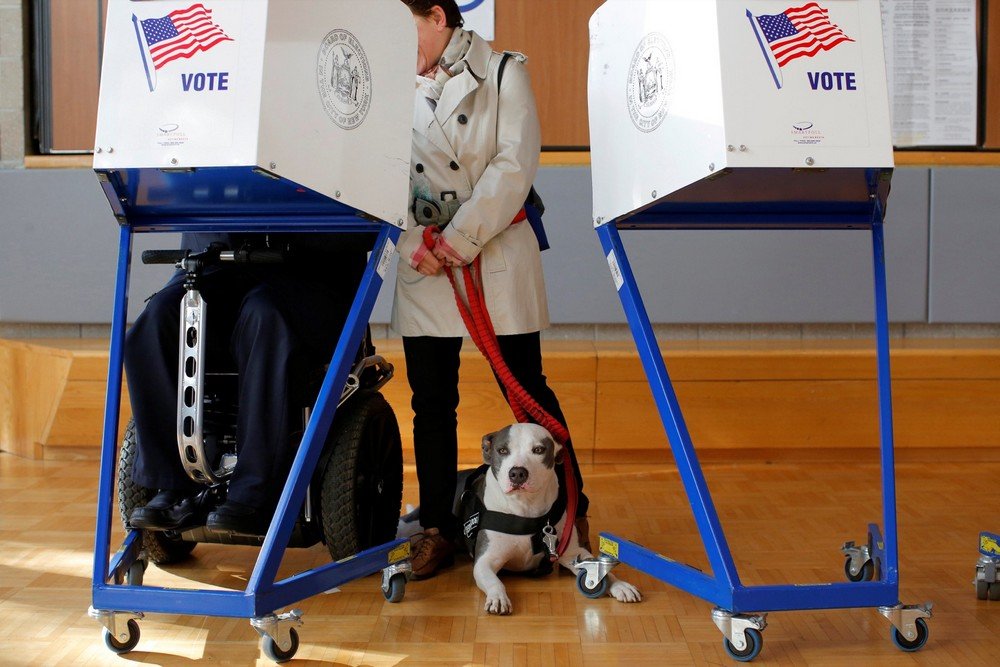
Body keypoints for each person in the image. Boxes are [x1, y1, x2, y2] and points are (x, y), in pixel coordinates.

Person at [395, 0, 590, 578]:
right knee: (430, 403)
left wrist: (460, 238)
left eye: (404, 29)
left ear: (437, 16)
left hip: (494, 249)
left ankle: (571, 514)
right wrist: (415, 245)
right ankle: (436, 528)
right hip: (424, 260)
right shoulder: (385, 84)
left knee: (526, 392)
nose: (398, 45)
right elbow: (373, 171)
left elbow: (514, 164)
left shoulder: (505, 71)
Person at [126, 232, 367, 536]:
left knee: (264, 314)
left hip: (308, 271)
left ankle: (255, 493)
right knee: (157, 320)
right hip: (222, 263)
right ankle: (175, 485)